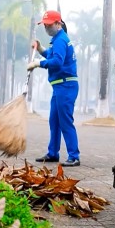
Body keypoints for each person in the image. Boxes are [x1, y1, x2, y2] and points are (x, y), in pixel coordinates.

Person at [27, 10, 80, 167]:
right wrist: (41, 49)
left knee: (65, 121)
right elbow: (51, 54)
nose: (47, 28)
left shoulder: (61, 40)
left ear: (58, 24)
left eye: (49, 25)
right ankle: (52, 153)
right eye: (45, 25)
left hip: (66, 85)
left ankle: (74, 156)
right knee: (54, 120)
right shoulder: (57, 39)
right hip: (59, 86)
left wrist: (38, 63)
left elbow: (56, 61)